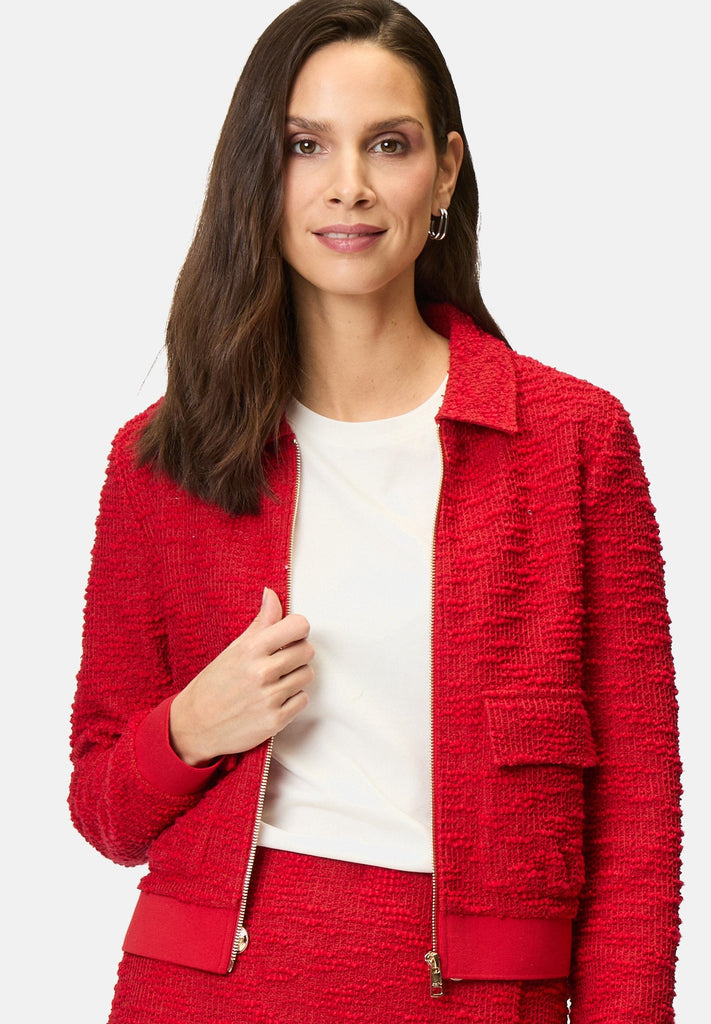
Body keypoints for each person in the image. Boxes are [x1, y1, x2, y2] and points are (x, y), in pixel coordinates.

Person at [68, 1, 682, 1021]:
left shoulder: (574, 441)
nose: (347, 183)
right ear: (257, 173)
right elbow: (102, 811)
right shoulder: (162, 459)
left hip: (480, 998)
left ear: (443, 172)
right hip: (203, 993)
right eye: (305, 145)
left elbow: (637, 818)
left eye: (387, 144)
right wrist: (189, 726)